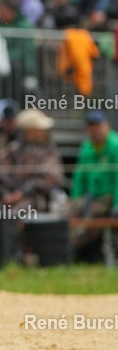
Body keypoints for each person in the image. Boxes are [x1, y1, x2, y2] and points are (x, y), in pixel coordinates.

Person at [70, 111, 118, 262]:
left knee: (89, 221)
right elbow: (80, 177)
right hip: (91, 195)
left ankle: (69, 251)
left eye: (97, 125)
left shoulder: (115, 146)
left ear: (107, 126)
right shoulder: (87, 147)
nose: (94, 130)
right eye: (91, 126)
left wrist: (117, 204)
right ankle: (60, 248)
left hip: (109, 196)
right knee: (68, 213)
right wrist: (75, 200)